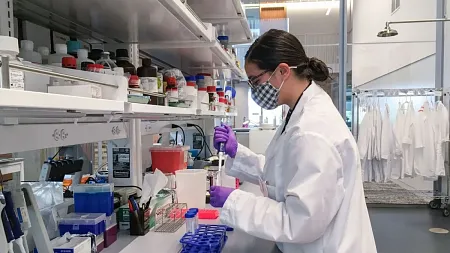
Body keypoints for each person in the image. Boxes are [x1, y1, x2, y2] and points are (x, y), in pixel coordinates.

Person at [210, 29, 377, 253]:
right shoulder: (301, 110)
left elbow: (299, 221)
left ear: (282, 71)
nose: (254, 90)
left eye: (255, 80)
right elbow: (281, 174)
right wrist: (236, 152)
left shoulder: (312, 131)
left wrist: (235, 201)